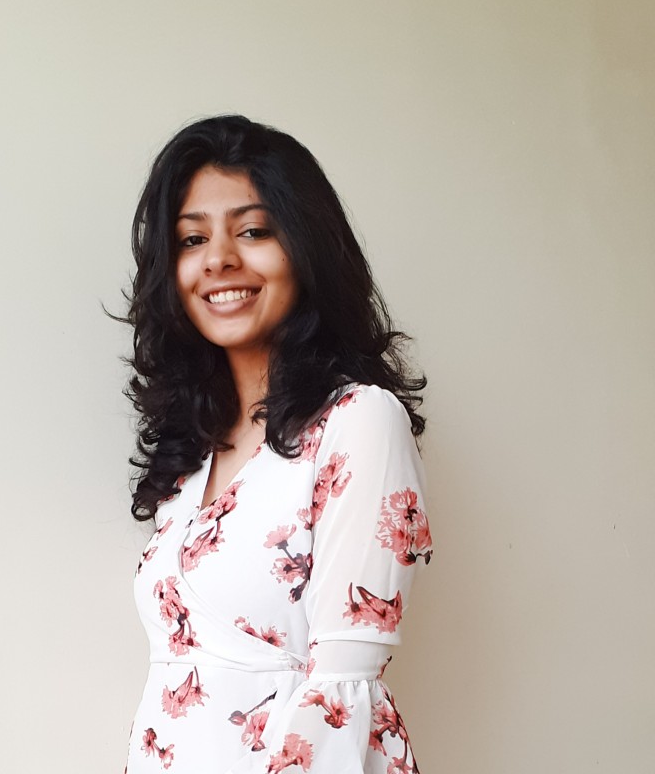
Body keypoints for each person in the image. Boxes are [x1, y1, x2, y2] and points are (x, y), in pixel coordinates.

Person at [122, 115, 432, 774]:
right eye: (192, 239)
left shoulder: (359, 422)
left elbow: (342, 697)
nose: (219, 260)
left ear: (307, 246)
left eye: (254, 231)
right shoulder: (191, 456)